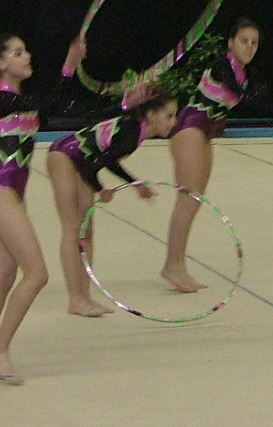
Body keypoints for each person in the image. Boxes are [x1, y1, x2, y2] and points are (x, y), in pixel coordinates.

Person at [161, 18, 273, 293]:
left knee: (193, 202)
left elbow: (262, 94)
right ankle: (172, 266)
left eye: (254, 43)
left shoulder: (243, 72)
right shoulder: (222, 66)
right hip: (190, 130)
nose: (249, 47)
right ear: (231, 43)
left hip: (204, 133)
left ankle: (178, 265)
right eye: (244, 41)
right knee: (187, 202)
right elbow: (246, 95)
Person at [0, 32, 84, 384]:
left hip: (12, 194)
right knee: (37, 274)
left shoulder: (19, 100)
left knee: (3, 278)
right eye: (17, 53)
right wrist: (68, 68)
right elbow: (45, 105)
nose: (27, 56)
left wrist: (125, 107)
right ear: (0, 64)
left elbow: (54, 109)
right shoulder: (0, 99)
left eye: (25, 50)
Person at [47, 87, 181, 317]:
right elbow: (95, 167)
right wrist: (101, 189)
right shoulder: (131, 131)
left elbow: (109, 160)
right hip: (64, 156)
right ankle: (76, 299)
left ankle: (84, 296)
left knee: (86, 232)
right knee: (73, 229)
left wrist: (135, 184)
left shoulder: (135, 131)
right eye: (169, 116)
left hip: (82, 162)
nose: (174, 122)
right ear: (151, 115)